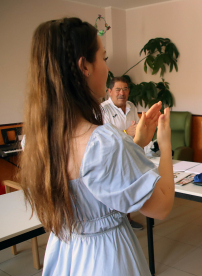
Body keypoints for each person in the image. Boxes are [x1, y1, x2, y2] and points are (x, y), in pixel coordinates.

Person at [18, 17, 174, 276]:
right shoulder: (102, 141)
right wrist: (165, 142)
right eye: (103, 57)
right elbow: (162, 205)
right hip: (106, 258)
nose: (107, 69)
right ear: (84, 67)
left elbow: (98, 182)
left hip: (66, 252)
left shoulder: (34, 139)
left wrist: (136, 144)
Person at [101, 76, 144, 230]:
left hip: (130, 155)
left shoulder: (131, 106)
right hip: (112, 159)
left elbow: (137, 128)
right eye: (118, 89)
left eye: (125, 89)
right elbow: (103, 137)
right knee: (115, 191)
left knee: (128, 190)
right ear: (110, 92)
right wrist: (126, 132)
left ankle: (128, 220)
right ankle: (115, 223)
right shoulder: (103, 109)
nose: (122, 93)